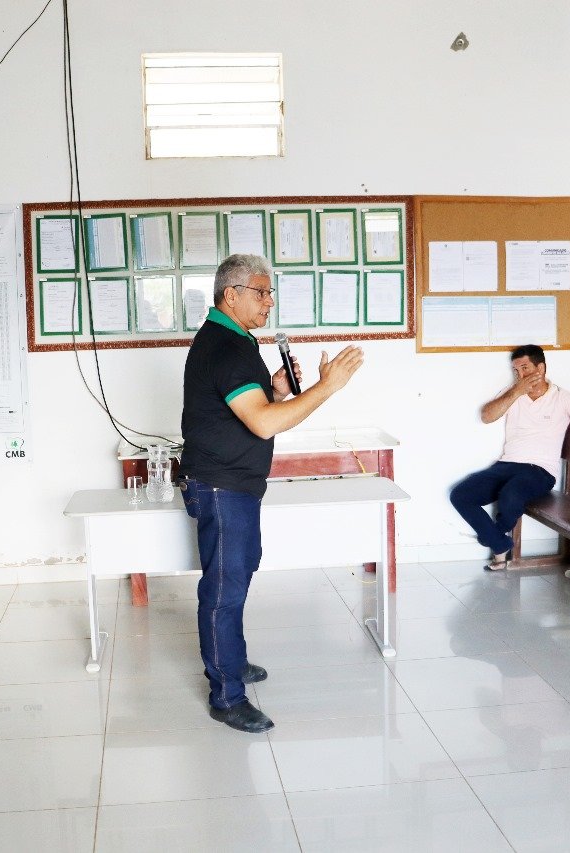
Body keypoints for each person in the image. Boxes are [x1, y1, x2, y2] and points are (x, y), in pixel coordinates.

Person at [180, 255, 363, 733]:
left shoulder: (235, 339)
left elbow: (250, 408)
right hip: (222, 485)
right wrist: (327, 387)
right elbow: (262, 424)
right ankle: (226, 696)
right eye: (261, 292)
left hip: (236, 483)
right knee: (224, 590)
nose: (269, 302)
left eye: (270, 292)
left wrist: (277, 390)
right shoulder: (225, 347)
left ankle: (233, 661)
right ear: (231, 295)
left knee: (238, 576)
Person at [449, 344, 570, 566]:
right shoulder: (512, 393)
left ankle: (493, 538)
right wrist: (516, 391)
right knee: (460, 495)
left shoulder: (562, 397)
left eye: (525, 368)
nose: (520, 375)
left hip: (540, 470)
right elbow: (487, 416)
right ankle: (500, 543)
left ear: (540, 368)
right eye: (516, 370)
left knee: (510, 495)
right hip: (506, 465)